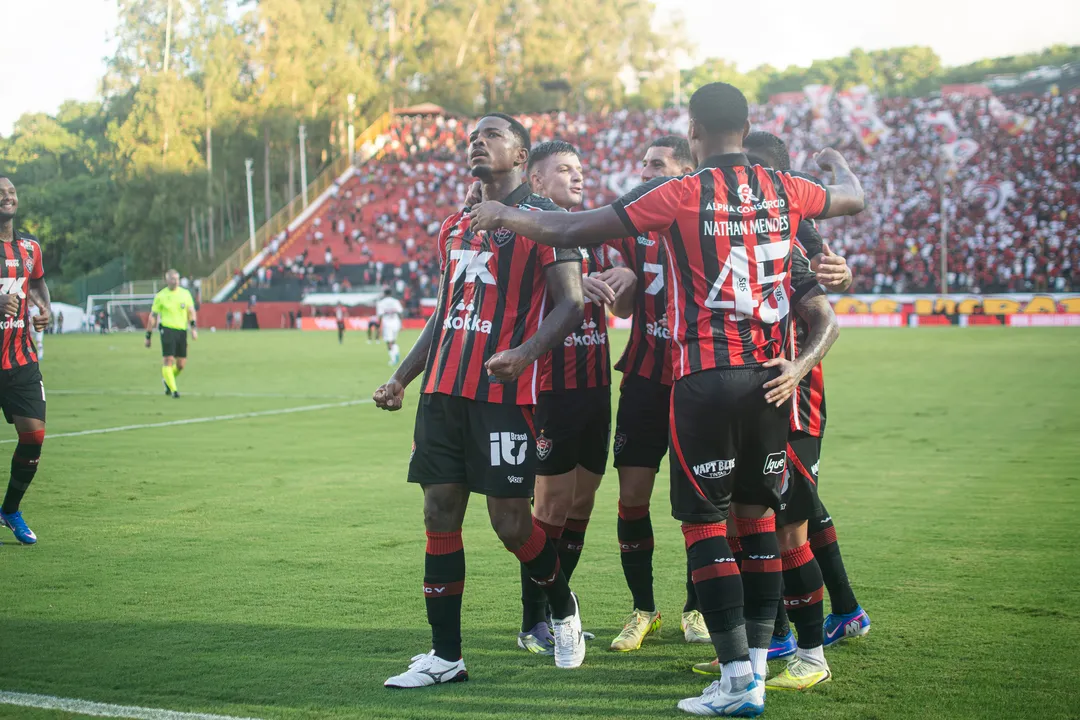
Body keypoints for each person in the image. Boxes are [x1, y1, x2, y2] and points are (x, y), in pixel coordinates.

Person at [468, 82, 864, 716]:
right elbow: (853, 197)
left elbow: (569, 225)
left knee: (705, 526)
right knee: (757, 524)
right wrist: (834, 163)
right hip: (770, 379)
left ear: (694, 132)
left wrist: (503, 215)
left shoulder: (681, 193)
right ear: (745, 125)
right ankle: (757, 671)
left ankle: (737, 678)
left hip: (704, 380)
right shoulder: (783, 190)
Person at [373, 113, 588, 687]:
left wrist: (524, 353)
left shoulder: (549, 221)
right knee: (438, 511)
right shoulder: (453, 227)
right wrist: (402, 378)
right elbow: (444, 314)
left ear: (521, 156)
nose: (477, 141)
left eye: (492, 135)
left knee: (511, 523)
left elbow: (571, 305)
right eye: (473, 136)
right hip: (443, 389)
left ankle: (562, 606)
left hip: (504, 392)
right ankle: (446, 657)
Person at [503, 141, 638, 655]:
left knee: (581, 504)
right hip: (549, 389)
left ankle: (561, 613)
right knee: (551, 505)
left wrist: (624, 276)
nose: (577, 178)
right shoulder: (530, 233)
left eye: (579, 169)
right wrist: (577, 282)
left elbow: (623, 308)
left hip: (593, 387)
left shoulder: (595, 234)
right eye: (563, 170)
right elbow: (524, 298)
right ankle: (534, 620)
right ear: (536, 182)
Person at [601, 135, 708, 649]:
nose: (645, 171)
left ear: (685, 173)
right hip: (643, 379)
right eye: (642, 163)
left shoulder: (706, 221)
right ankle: (643, 609)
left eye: (657, 165)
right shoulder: (633, 225)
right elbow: (621, 310)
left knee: (699, 502)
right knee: (631, 498)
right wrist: (620, 280)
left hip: (695, 379)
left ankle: (697, 609)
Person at [0, 176, 51, 545]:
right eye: (1, 193)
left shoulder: (30, 247)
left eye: (12, 192)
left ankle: (10, 510)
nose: (8, 197)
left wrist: (43, 308)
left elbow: (36, 284)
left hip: (21, 360)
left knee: (33, 435)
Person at [145, 269, 198, 398]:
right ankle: (174, 390)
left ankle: (167, 380)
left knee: (181, 364)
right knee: (168, 359)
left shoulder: (185, 294)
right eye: (172, 279)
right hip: (167, 329)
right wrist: (148, 335)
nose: (175, 281)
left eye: (177, 279)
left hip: (181, 331)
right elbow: (153, 316)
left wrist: (193, 328)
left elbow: (191, 311)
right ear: (167, 280)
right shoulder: (161, 296)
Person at [375, 288, 404, 366]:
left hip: (387, 324)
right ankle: (396, 351)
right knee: (393, 341)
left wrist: (378, 327)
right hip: (396, 322)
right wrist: (401, 324)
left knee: (388, 342)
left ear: (384, 294)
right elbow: (400, 312)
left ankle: (394, 358)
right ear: (391, 293)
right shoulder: (395, 301)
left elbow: (380, 316)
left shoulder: (381, 303)